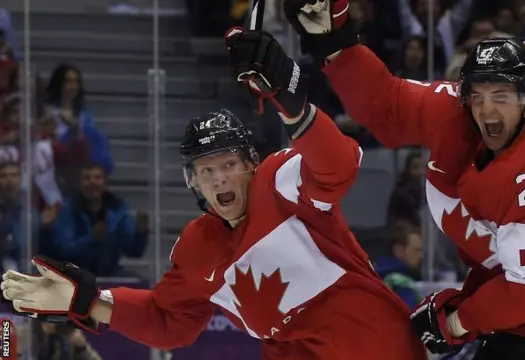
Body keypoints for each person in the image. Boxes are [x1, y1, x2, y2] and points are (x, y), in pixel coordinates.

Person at [0, 27, 427, 360]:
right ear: (193, 182)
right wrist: (87, 300)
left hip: (379, 347)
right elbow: (169, 322)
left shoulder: (279, 181)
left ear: (250, 164)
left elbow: (339, 164)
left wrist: (290, 102)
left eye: (228, 164)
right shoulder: (198, 247)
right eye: (206, 171)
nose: (220, 179)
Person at [282, 0, 525, 359]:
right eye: (478, 95)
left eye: (501, 96)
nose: (486, 110)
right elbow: (383, 102)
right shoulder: (453, 110)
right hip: (515, 322)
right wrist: (334, 43)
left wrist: (456, 321)